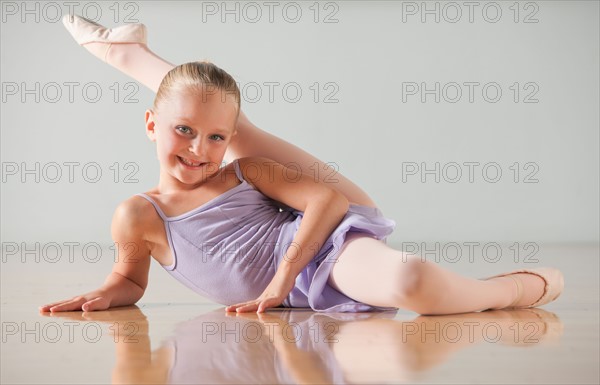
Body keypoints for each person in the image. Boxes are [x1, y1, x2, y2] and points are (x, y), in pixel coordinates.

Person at [40, 15, 564, 315]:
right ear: (151, 125)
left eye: (211, 140)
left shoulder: (245, 170)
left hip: (328, 244)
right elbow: (130, 279)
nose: (198, 150)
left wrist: (281, 279)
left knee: (410, 281)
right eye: (182, 132)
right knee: (220, 114)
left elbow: (329, 201)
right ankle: (129, 55)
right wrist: (107, 292)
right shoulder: (137, 214)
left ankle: (507, 288)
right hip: (298, 285)